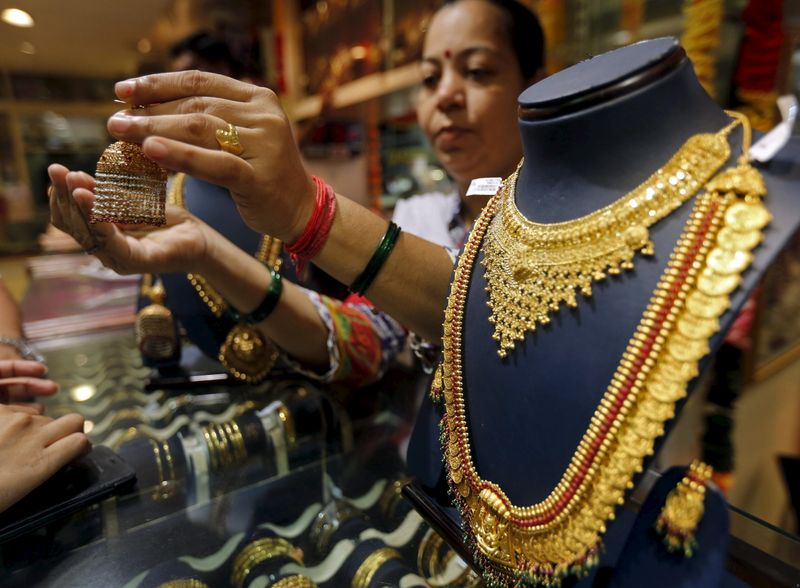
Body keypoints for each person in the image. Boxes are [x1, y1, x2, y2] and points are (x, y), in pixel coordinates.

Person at [48, 0, 545, 386]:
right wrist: (205, 251)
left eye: (478, 71)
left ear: (536, 86)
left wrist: (308, 212)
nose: (446, 96)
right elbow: (367, 343)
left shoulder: (567, 221)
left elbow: (499, 323)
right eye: (430, 78)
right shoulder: (422, 214)